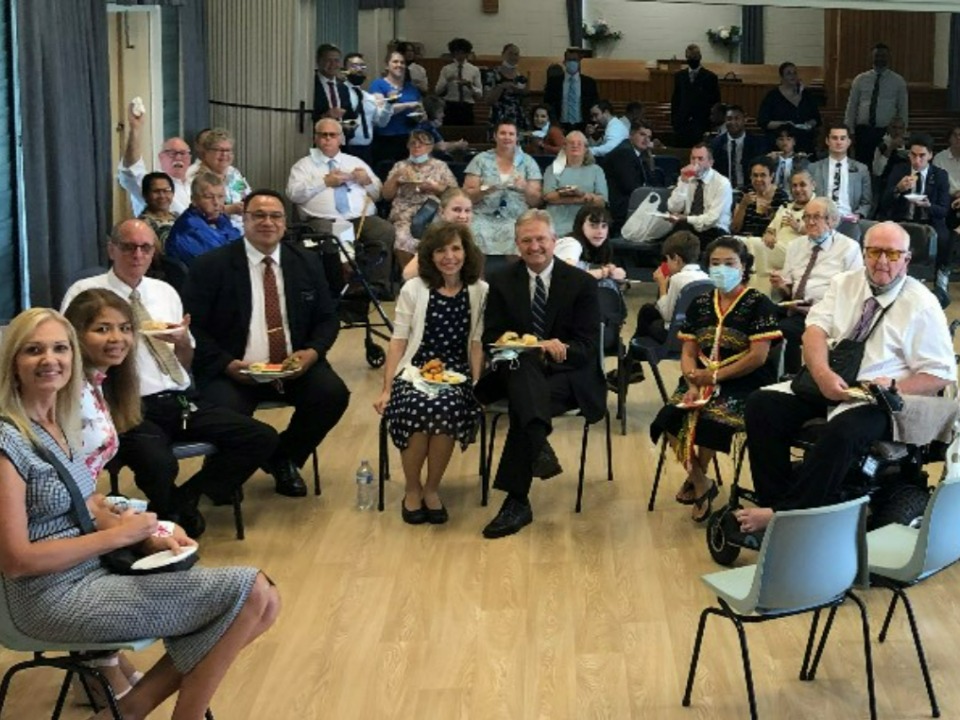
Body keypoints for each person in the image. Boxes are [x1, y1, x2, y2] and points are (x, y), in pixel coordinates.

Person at [0, 307, 280, 720]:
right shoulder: (9, 441)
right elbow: (16, 561)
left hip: (90, 575)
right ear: (13, 363)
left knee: (265, 601)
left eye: (60, 348)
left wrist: (145, 529)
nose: (50, 360)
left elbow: (85, 502)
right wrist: (120, 536)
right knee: (253, 592)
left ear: (74, 358)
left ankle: (130, 710)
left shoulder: (58, 422)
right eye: (34, 350)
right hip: (49, 597)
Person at [61, 220, 279, 538]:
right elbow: (73, 352)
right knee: (159, 463)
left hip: (178, 398)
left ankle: (183, 500)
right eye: (129, 246)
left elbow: (185, 362)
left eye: (146, 247)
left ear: (154, 252)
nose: (138, 254)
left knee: (260, 437)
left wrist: (180, 343)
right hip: (125, 403)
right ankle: (169, 511)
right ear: (112, 249)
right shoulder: (87, 293)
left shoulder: (164, 292)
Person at [739, 222, 955, 534]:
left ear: (906, 259)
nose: (883, 261)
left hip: (884, 398)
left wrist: (893, 386)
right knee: (761, 405)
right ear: (864, 253)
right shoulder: (845, 283)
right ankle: (777, 500)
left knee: (843, 430)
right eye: (875, 251)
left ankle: (785, 515)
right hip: (832, 382)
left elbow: (940, 373)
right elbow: (814, 330)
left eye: (893, 254)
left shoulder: (922, 303)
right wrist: (823, 373)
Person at [183, 190, 350, 499]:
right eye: (258, 215)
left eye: (275, 216)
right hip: (234, 369)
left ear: (285, 223)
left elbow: (328, 318)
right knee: (222, 410)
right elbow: (195, 330)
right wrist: (227, 364)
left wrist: (312, 354)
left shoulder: (307, 262)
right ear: (243, 220)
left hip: (293, 367)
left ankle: (283, 457)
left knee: (332, 395)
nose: (267, 222)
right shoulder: (211, 266)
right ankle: (226, 468)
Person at [474, 210, 605, 539]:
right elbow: (493, 337)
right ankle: (535, 449)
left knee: (526, 405)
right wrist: (529, 346)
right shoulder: (502, 280)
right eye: (527, 240)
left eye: (541, 239)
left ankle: (517, 499)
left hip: (567, 374)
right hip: (515, 367)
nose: (535, 247)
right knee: (523, 363)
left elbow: (588, 346)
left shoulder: (582, 283)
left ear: (554, 241)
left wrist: (559, 347)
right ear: (517, 245)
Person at [650, 237, 782, 522]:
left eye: (730, 264)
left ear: (744, 266)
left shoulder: (759, 304)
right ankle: (700, 481)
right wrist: (694, 382)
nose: (722, 269)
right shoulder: (700, 303)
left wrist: (715, 376)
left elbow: (758, 357)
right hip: (700, 376)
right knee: (669, 418)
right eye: (716, 264)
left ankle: (699, 482)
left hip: (745, 379)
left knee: (711, 418)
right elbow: (688, 351)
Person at [374, 223, 487, 524]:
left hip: (457, 374)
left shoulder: (479, 290)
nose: (449, 256)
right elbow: (398, 342)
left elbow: (476, 343)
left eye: (455, 248)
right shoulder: (414, 289)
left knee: (444, 409)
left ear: (466, 252)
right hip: (414, 370)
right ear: (430, 255)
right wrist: (386, 389)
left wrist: (477, 385)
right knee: (416, 407)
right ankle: (413, 488)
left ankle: (432, 488)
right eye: (441, 250)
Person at [62, 289, 144, 704]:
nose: (117, 338)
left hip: (86, 503)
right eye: (102, 329)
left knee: (159, 532)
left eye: (125, 328)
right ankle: (101, 662)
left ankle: (104, 657)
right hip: (60, 519)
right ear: (75, 334)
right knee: (134, 547)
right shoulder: (64, 391)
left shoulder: (97, 384)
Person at [286, 118, 395, 297]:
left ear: (341, 139)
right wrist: (324, 182)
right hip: (322, 220)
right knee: (327, 237)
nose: (328, 139)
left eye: (333, 135)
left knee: (385, 230)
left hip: (359, 218)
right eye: (323, 135)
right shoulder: (303, 165)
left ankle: (376, 286)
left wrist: (367, 181)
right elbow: (293, 194)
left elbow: (378, 194)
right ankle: (338, 289)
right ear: (316, 138)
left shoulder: (355, 161)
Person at [770, 197, 863, 374]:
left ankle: (791, 378)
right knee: (760, 319)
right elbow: (789, 290)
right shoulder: (795, 246)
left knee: (784, 330)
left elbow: (854, 294)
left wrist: (817, 309)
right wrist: (781, 284)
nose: (810, 222)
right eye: (806, 217)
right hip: (794, 308)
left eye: (816, 217)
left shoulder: (849, 248)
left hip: (827, 314)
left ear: (832, 221)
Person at [879, 133, 952, 306]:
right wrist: (898, 189)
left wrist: (928, 205)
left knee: (943, 237)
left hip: (930, 220)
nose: (917, 160)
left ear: (930, 155)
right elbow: (884, 203)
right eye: (913, 155)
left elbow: (943, 210)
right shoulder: (899, 170)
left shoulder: (940, 175)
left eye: (922, 156)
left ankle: (941, 276)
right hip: (904, 219)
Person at [462, 119, 543, 265]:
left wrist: (525, 187)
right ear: (495, 136)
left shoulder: (528, 162)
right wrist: (485, 189)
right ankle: (478, 282)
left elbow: (536, 200)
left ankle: (514, 279)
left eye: (511, 134)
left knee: (518, 231)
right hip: (483, 215)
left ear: (517, 137)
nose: (507, 137)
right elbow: (467, 196)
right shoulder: (480, 160)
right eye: (503, 133)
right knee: (474, 230)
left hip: (516, 216)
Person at [382, 130, 458, 270]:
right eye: (413, 143)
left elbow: (454, 194)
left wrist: (437, 188)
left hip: (432, 212)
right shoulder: (400, 166)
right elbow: (386, 195)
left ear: (430, 147)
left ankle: (435, 275)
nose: (416, 146)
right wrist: (395, 179)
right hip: (404, 214)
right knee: (402, 238)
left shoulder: (440, 166)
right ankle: (410, 278)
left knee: (439, 237)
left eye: (421, 143)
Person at [632, 230, 709, 344]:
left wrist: (662, 285)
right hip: (699, 332)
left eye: (667, 259)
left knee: (648, 316)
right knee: (648, 310)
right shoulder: (706, 277)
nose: (666, 263)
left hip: (676, 335)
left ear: (676, 259)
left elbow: (667, 315)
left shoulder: (677, 279)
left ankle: (636, 352)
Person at [117, 102, 191, 217]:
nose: (178, 157)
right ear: (161, 157)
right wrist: (135, 129)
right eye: (172, 153)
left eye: (183, 153)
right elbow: (130, 170)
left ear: (190, 158)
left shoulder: (194, 185)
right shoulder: (151, 183)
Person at [748, 169, 817, 285]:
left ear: (813, 185)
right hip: (776, 248)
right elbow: (770, 229)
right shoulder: (785, 207)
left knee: (751, 243)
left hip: (798, 253)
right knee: (745, 246)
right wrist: (769, 234)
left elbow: (824, 233)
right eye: (794, 186)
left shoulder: (820, 206)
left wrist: (799, 228)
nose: (798, 189)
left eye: (802, 185)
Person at [844, 43, 909, 166]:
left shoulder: (898, 81)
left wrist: (901, 134)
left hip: (886, 132)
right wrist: (849, 131)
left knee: (884, 167)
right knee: (862, 165)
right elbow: (851, 107)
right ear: (871, 57)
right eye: (877, 55)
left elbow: (903, 109)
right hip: (863, 132)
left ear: (889, 58)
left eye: (883, 56)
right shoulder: (860, 79)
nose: (880, 58)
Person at [165, 173, 243, 266]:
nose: (216, 202)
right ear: (194, 200)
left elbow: (235, 238)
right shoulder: (190, 226)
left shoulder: (217, 216)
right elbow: (225, 253)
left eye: (220, 196)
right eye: (209, 197)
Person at [541, 131, 609, 236]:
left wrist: (582, 195)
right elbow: (548, 197)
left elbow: (601, 202)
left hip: (587, 224)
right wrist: (581, 198)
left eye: (579, 143)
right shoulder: (553, 169)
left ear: (586, 148)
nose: (575, 145)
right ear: (564, 147)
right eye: (571, 143)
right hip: (556, 224)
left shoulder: (596, 170)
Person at [184, 128, 251, 232]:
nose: (224, 154)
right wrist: (228, 209)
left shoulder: (234, 173)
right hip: (212, 232)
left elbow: (246, 195)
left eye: (228, 150)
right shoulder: (194, 176)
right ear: (206, 153)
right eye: (219, 150)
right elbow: (193, 210)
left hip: (244, 229)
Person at [808, 124, 873, 230]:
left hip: (850, 220)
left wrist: (858, 215)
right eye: (834, 138)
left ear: (848, 142)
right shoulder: (813, 168)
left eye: (842, 138)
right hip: (821, 219)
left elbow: (867, 202)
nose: (838, 142)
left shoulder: (861, 169)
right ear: (827, 141)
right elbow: (808, 197)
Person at [401, 187, 474, 281]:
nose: (463, 216)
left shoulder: (472, 239)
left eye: (467, 211)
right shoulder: (435, 238)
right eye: (456, 210)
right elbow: (407, 274)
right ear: (442, 211)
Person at [665, 144, 733, 244]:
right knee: (673, 237)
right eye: (693, 158)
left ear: (710, 163)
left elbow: (712, 219)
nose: (696, 163)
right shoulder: (686, 178)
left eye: (700, 159)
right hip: (688, 226)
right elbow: (673, 208)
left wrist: (686, 218)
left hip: (715, 229)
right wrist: (683, 182)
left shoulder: (722, 183)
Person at [369, 51, 423, 166]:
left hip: (409, 138)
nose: (399, 65)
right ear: (387, 65)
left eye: (402, 62)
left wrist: (419, 115)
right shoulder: (378, 84)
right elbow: (381, 109)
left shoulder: (412, 88)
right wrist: (408, 105)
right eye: (395, 62)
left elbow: (420, 109)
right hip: (386, 139)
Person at [604, 119, 661, 228]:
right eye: (642, 134)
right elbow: (632, 188)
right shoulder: (623, 153)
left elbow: (649, 181)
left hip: (631, 204)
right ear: (631, 135)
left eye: (649, 137)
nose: (646, 140)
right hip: (621, 209)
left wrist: (649, 158)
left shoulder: (638, 154)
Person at [757, 62, 822, 154]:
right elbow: (763, 121)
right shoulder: (772, 96)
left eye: (795, 73)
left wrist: (810, 124)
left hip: (805, 142)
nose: (793, 76)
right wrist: (784, 123)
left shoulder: (806, 95)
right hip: (780, 144)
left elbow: (816, 118)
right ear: (782, 77)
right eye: (789, 73)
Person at [341, 52, 392, 165]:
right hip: (346, 148)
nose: (359, 70)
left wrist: (389, 105)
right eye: (354, 66)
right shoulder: (340, 92)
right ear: (344, 70)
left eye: (362, 66)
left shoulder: (368, 97)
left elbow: (381, 122)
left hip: (367, 149)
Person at [555, 204, 625, 282]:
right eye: (593, 226)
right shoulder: (571, 244)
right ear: (581, 226)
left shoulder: (604, 247)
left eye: (604, 226)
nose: (600, 231)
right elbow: (567, 276)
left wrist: (613, 271)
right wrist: (603, 273)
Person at [671, 44, 720, 148]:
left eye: (695, 57)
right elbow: (676, 100)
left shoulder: (710, 77)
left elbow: (715, 101)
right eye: (689, 57)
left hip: (702, 123)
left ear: (700, 57)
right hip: (682, 124)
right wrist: (675, 121)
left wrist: (711, 123)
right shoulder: (679, 76)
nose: (692, 59)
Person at [709, 105, 767, 190]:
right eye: (729, 119)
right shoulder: (716, 144)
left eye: (737, 118)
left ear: (744, 120)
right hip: (722, 190)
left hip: (750, 189)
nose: (733, 122)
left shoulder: (757, 143)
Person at [543, 48, 598, 133]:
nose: (572, 63)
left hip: (583, 125)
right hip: (560, 125)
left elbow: (594, 104)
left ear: (579, 62)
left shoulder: (589, 83)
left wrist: (591, 124)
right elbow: (548, 104)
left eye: (575, 60)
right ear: (564, 62)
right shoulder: (554, 82)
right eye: (569, 60)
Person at [731, 156, 789, 237]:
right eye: (755, 175)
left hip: (766, 241)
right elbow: (734, 228)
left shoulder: (781, 196)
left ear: (771, 176)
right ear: (750, 177)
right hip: (743, 239)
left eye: (763, 175)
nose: (758, 179)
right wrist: (743, 205)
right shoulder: (744, 193)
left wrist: (770, 213)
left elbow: (783, 229)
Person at [482, 44, 530, 134]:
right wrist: (502, 87)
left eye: (516, 54)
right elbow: (488, 100)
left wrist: (523, 92)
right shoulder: (492, 75)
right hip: (499, 116)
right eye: (510, 53)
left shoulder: (521, 78)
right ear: (503, 54)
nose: (513, 57)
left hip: (517, 118)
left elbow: (525, 104)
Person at [435, 37, 483, 126]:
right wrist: (447, 81)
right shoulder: (446, 69)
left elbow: (480, 94)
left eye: (462, 53)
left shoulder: (474, 70)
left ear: (467, 53)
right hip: (450, 106)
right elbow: (437, 91)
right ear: (453, 53)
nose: (460, 56)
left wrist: (470, 86)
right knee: (450, 134)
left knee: (467, 134)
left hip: (467, 106)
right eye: (457, 53)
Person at [138, 172, 180, 252]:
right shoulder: (143, 224)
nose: (162, 196)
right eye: (156, 191)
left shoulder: (178, 217)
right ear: (145, 195)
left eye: (166, 190)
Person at [313, 43, 351, 123]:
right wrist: (325, 116)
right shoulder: (311, 85)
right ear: (318, 61)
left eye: (336, 61)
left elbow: (349, 115)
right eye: (328, 60)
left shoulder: (343, 88)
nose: (333, 64)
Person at [767, 126, 809, 198]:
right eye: (781, 139)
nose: (785, 142)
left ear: (794, 142)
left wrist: (798, 161)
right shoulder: (771, 159)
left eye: (788, 139)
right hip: (772, 196)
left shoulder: (801, 160)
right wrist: (768, 161)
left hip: (794, 196)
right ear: (776, 142)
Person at [932, 125, 960, 234]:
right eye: (955, 135)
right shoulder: (939, 158)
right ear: (949, 139)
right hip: (947, 198)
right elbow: (938, 185)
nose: (959, 138)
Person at [871, 116, 909, 188]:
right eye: (894, 127)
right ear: (888, 129)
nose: (897, 131)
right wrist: (890, 148)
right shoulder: (882, 145)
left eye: (900, 128)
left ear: (904, 130)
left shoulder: (909, 145)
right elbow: (877, 171)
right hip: (886, 183)